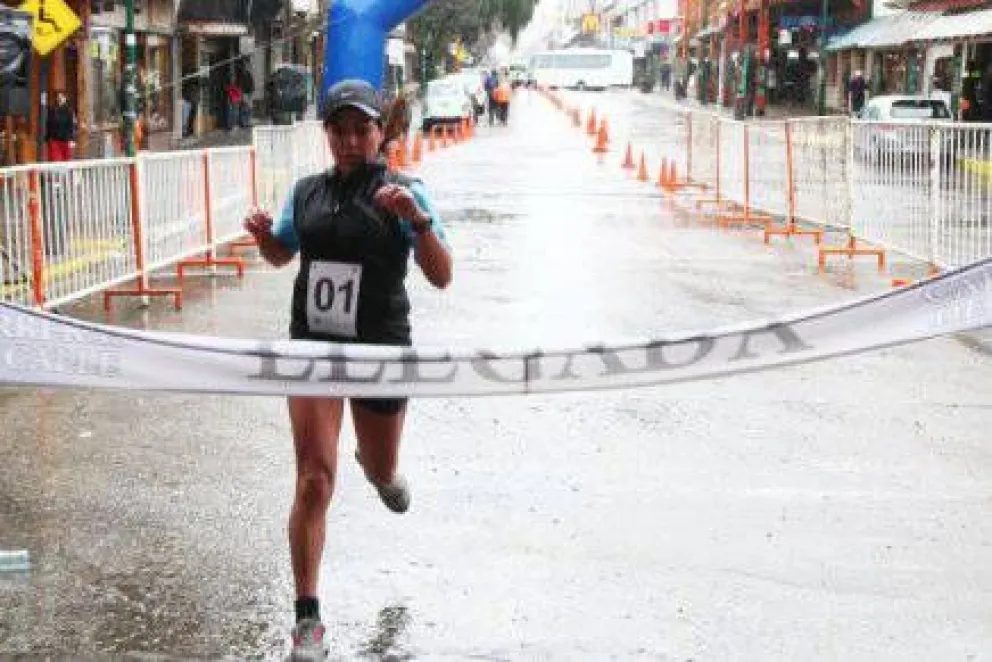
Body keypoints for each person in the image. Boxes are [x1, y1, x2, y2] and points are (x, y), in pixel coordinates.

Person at [242, 79, 453, 661]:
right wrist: (264, 237)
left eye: (362, 128)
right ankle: (307, 618)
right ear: (327, 134)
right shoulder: (306, 192)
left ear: (381, 131)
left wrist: (420, 224)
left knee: (381, 469)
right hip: (313, 347)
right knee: (313, 478)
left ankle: (379, 467)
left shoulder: (406, 190)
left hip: (381, 349)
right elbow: (284, 253)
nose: (350, 140)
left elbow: (442, 275)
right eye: (339, 129)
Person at [45, 90, 76, 162]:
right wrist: (47, 138)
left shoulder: (69, 111)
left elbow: (71, 126)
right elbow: (48, 124)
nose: (59, 98)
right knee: (55, 160)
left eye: (61, 97)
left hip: (65, 140)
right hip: (55, 140)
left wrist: (71, 139)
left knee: (67, 161)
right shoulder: (52, 110)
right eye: (58, 97)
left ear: (65, 98)